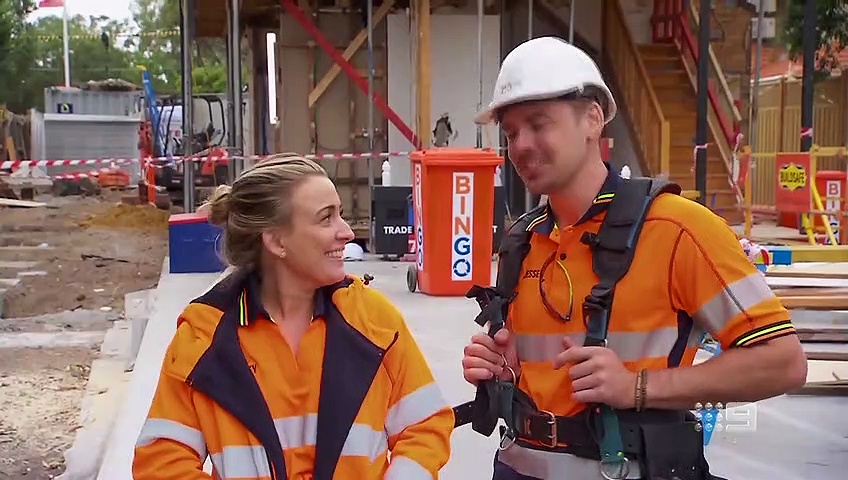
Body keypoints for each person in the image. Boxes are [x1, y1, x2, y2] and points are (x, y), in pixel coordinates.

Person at [459, 36, 807, 480]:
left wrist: (636, 387)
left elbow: (783, 362)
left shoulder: (676, 229)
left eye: (538, 124)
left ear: (593, 118)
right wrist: (504, 371)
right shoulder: (522, 240)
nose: (521, 145)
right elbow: (541, 374)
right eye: (510, 133)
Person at [133, 154, 454, 480]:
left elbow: (425, 425)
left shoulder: (373, 321)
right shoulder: (205, 337)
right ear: (276, 241)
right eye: (326, 218)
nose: (346, 232)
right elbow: (161, 462)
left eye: (340, 214)